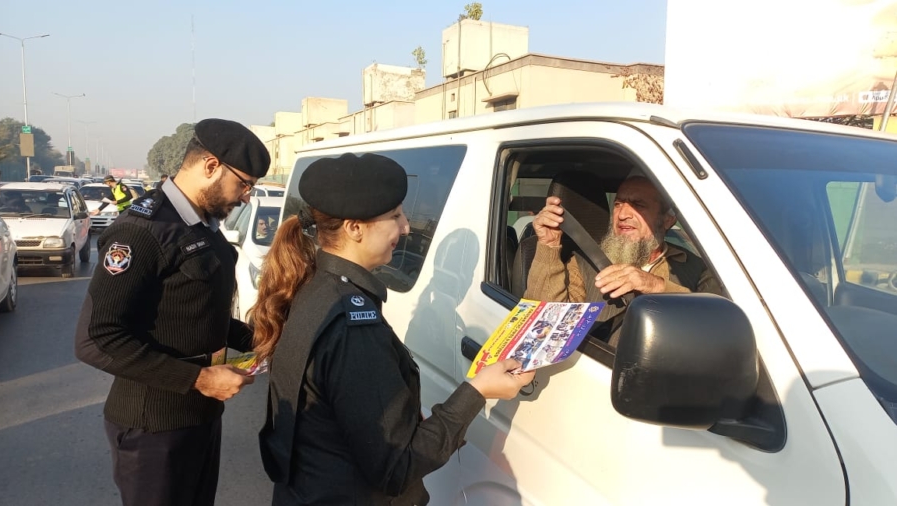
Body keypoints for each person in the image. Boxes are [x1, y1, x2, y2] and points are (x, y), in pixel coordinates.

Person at [251, 153, 535, 505]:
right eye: (395, 216)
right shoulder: (352, 325)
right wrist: (477, 390)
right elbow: (397, 466)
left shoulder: (317, 286)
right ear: (355, 228)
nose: (406, 227)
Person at [74, 118, 271, 506]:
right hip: (153, 428)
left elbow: (195, 311)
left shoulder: (201, 226)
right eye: (244, 183)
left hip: (199, 416)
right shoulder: (143, 232)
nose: (246, 196)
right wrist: (198, 379)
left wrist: (262, 337)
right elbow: (96, 338)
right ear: (211, 166)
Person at [524, 175, 722, 346]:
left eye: (638, 205)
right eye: (618, 204)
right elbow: (543, 328)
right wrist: (548, 245)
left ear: (667, 220)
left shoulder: (698, 267)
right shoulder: (584, 263)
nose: (623, 214)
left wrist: (656, 286)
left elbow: (717, 327)